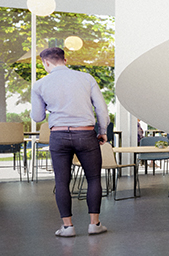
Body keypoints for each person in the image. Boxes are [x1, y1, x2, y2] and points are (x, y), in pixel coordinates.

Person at [30, 46, 109, 237]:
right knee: (93, 178)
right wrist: (103, 131)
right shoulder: (86, 78)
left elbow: (38, 116)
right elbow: (101, 108)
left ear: (46, 63)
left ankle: (67, 227)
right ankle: (94, 224)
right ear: (65, 60)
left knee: (62, 181)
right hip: (86, 133)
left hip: (58, 136)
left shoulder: (40, 85)